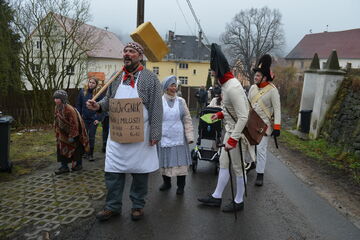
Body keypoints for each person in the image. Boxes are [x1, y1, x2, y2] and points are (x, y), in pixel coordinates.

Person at [86, 42, 163, 221]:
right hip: (117, 134)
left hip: (141, 136)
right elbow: (109, 101)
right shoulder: (116, 76)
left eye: (132, 51)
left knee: (140, 173)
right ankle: (112, 206)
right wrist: (98, 106)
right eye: (125, 51)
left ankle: (137, 205)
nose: (127, 54)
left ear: (140, 56)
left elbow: (156, 108)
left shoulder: (150, 79)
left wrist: (155, 134)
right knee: (113, 171)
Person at [198, 43, 254, 212]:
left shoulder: (233, 87)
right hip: (230, 131)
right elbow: (231, 109)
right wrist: (220, 114)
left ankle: (239, 201)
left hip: (237, 135)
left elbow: (243, 115)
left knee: (238, 168)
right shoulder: (226, 84)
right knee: (223, 163)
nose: (211, 73)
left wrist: (233, 139)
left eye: (212, 70)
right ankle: (216, 197)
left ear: (218, 69)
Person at [157, 75, 194, 195]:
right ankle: (166, 183)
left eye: (175, 85)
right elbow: (155, 119)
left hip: (179, 137)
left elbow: (187, 119)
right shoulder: (159, 101)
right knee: (165, 161)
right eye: (172, 85)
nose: (174, 88)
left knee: (181, 163)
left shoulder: (181, 101)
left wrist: (190, 136)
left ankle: (181, 186)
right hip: (164, 136)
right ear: (166, 87)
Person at [248, 54, 281, 186]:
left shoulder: (273, 91)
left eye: (258, 75)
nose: (255, 77)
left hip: (264, 125)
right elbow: (248, 104)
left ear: (265, 77)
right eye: (255, 75)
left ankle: (260, 174)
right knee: (249, 146)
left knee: (261, 150)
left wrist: (277, 127)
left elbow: (277, 109)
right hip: (251, 122)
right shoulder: (252, 88)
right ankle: (250, 164)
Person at [53, 90, 89, 175]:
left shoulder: (69, 109)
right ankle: (64, 167)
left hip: (75, 133)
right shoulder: (57, 107)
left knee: (77, 149)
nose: (55, 100)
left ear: (62, 99)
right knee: (62, 149)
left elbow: (74, 123)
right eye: (54, 98)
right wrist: (57, 131)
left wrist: (72, 136)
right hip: (62, 133)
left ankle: (79, 165)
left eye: (57, 98)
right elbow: (56, 119)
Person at [76, 77, 103, 161]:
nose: (91, 84)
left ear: (96, 84)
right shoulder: (82, 92)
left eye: (93, 83)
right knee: (84, 136)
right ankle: (85, 152)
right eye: (90, 82)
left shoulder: (99, 93)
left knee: (91, 136)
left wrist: (98, 119)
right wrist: (79, 116)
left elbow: (102, 107)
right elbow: (78, 105)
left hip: (93, 120)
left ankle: (90, 154)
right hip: (84, 118)